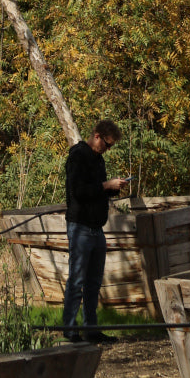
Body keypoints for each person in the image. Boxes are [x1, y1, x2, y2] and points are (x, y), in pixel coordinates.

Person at [62, 119, 128, 344]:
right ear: (97, 136)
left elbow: (98, 192)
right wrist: (105, 186)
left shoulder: (99, 160)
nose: (107, 150)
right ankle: (70, 329)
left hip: (97, 228)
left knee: (93, 283)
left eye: (110, 147)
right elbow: (78, 191)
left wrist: (114, 187)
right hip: (80, 227)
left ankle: (91, 329)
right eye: (107, 145)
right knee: (77, 280)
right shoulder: (78, 156)